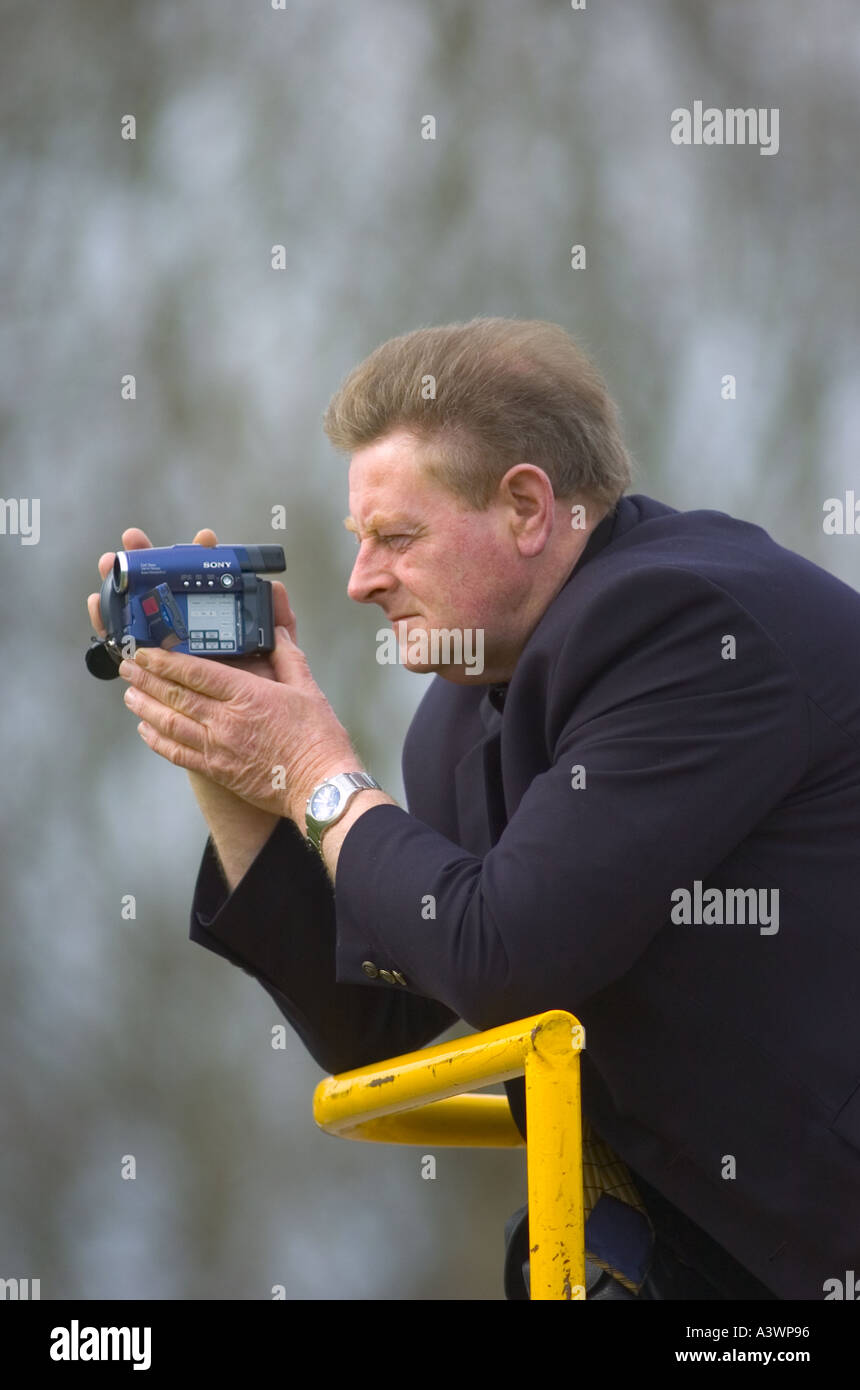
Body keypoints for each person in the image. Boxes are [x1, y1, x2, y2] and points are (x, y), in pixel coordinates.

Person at [88, 317, 860, 1300]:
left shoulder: (685, 624)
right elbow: (373, 1019)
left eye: (395, 537)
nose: (362, 581)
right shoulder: (460, 709)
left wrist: (311, 766)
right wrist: (229, 748)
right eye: (357, 540)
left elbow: (502, 954)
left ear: (526, 507)